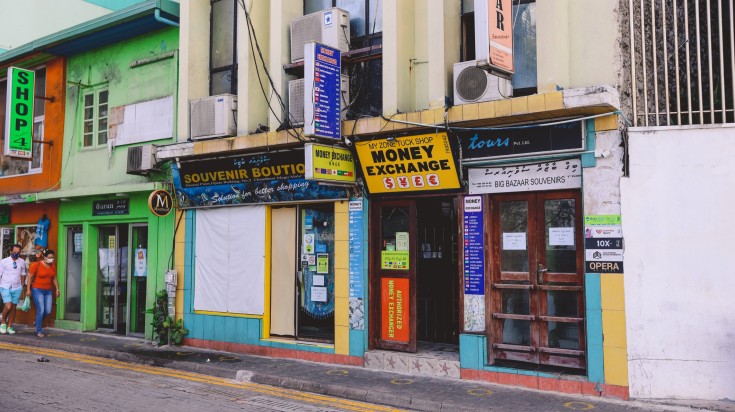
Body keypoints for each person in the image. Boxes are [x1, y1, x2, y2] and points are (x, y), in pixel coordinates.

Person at [27, 249, 59, 337]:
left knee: (48, 311)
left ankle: (37, 322)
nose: (51, 259)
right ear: (44, 257)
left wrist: (57, 289)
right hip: (37, 289)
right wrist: (28, 290)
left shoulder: (52, 265)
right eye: (49, 257)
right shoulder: (36, 265)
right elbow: (30, 277)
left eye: (53, 257)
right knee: (41, 310)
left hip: (48, 290)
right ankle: (39, 330)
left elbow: (54, 278)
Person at [0, 244, 27, 334]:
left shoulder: (22, 261)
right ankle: (3, 322)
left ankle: (9, 326)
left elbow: (23, 273)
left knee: (13, 307)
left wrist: (22, 285)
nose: (17, 254)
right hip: (5, 286)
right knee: (8, 305)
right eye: (15, 252)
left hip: (17, 287)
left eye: (18, 252)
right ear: (11, 251)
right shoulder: (4, 261)